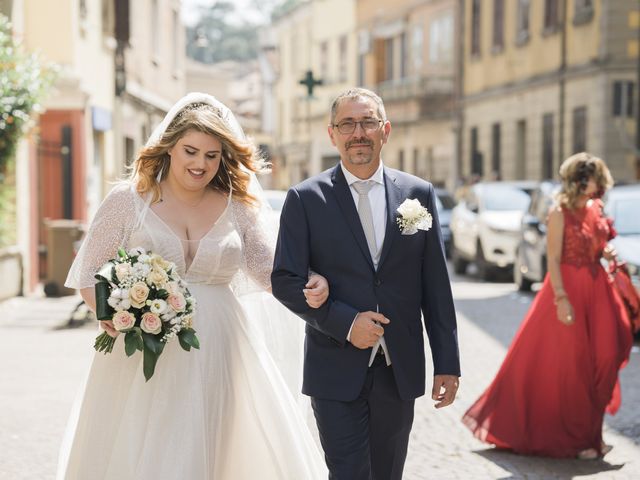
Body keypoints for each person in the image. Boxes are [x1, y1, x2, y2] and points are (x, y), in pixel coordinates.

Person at [57, 93, 329, 479]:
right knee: (144, 444)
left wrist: (309, 281)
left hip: (222, 346)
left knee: (219, 446)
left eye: (212, 155)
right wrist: (114, 314)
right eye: (190, 151)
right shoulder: (128, 201)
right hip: (143, 349)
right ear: (168, 147)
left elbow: (267, 268)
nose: (200, 164)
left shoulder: (237, 205)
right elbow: (89, 274)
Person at [271, 87, 461, 479]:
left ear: (385, 130)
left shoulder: (417, 194)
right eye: (347, 124)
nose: (358, 133)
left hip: (398, 368)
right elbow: (285, 281)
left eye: (368, 122)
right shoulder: (305, 199)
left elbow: (436, 286)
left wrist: (447, 362)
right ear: (332, 134)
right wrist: (345, 323)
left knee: (389, 474)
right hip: (335, 368)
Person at [462, 152, 633, 460]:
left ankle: (590, 431)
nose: (594, 181)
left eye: (595, 174)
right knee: (573, 368)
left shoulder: (597, 209)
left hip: (598, 288)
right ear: (578, 179)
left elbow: (597, 241)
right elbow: (553, 259)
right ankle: (585, 438)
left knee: (608, 354)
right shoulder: (559, 212)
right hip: (568, 288)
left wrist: (606, 252)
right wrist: (562, 298)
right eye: (589, 175)